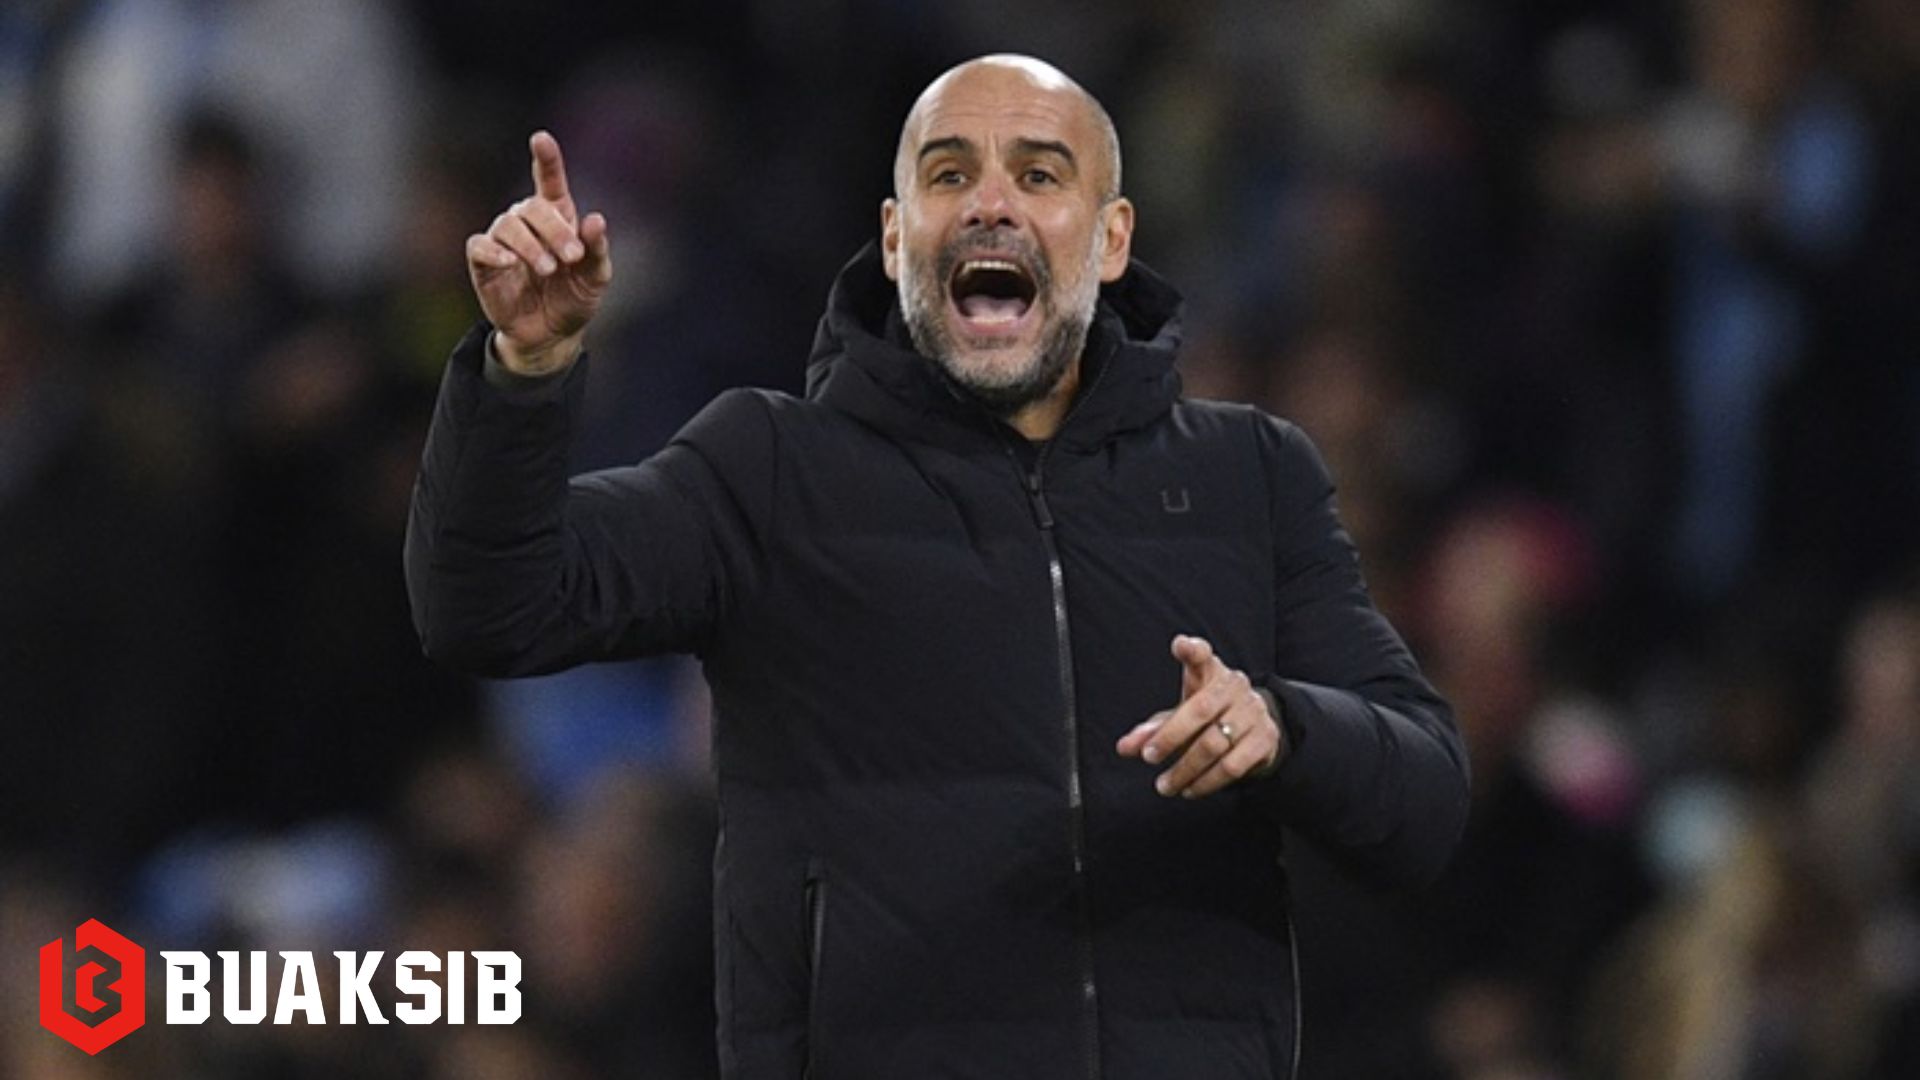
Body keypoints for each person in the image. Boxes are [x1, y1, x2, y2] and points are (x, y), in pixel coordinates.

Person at [406, 54, 1469, 1080]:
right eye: (949, 174)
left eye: (1039, 175)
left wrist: (1284, 729)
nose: (989, 205)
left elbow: (1424, 803)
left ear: (1111, 241)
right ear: (894, 237)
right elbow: (489, 608)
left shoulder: (1249, 477)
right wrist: (525, 371)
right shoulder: (769, 472)